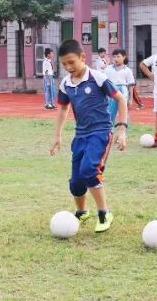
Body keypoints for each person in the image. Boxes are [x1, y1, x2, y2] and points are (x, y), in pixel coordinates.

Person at [49, 39, 128, 232]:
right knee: (76, 182)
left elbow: (120, 98)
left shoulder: (97, 77)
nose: (68, 67)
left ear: (83, 57)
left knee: (89, 170)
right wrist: (57, 135)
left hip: (100, 133)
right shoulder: (66, 83)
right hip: (80, 135)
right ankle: (82, 211)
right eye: (64, 64)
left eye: (71, 62)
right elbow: (63, 109)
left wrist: (121, 128)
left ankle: (104, 212)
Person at [104, 49, 136, 127]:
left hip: (123, 91)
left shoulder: (128, 70)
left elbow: (131, 85)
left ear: (124, 57)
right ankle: (109, 132)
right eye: (114, 57)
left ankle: (123, 134)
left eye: (118, 57)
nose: (116, 59)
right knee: (110, 113)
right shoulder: (108, 68)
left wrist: (131, 99)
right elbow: (103, 82)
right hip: (111, 91)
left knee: (123, 114)